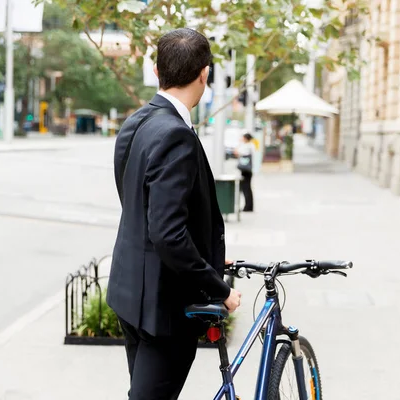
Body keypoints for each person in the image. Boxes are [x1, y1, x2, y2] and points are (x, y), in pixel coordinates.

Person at [108, 28, 242, 400]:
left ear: (156, 70)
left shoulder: (136, 122)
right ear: (204, 74)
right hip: (162, 307)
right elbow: (167, 232)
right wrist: (221, 289)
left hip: (129, 291)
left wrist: (201, 253)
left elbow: (136, 202)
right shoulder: (175, 134)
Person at [235, 133, 255, 212]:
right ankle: (249, 206)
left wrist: (240, 143)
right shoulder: (251, 145)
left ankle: (248, 207)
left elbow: (237, 152)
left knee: (246, 189)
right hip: (248, 170)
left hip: (245, 171)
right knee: (248, 188)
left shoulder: (247, 146)